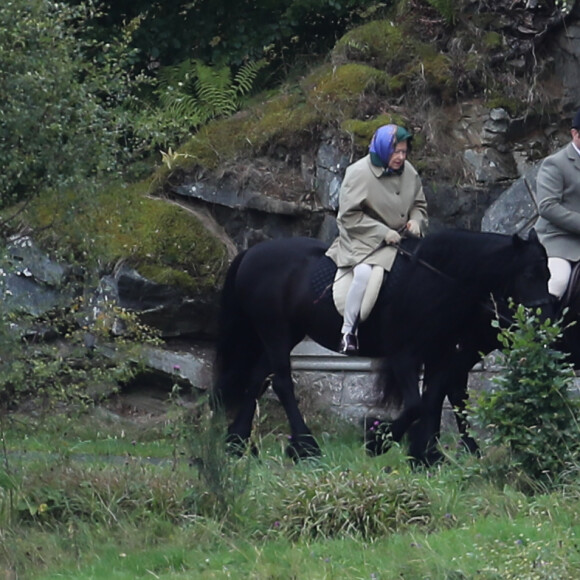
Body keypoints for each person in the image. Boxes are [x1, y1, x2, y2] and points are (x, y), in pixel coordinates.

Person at [326, 124, 428, 355]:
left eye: (404, 152)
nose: (401, 157)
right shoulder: (358, 172)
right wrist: (383, 232)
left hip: (402, 238)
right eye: (396, 152)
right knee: (363, 274)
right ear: (383, 149)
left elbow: (419, 205)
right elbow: (348, 216)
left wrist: (416, 221)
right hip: (362, 238)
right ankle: (348, 332)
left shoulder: (409, 172)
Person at [535, 109, 580, 302]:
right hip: (559, 240)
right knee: (559, 281)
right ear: (575, 134)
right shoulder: (556, 163)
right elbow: (547, 206)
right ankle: (541, 330)